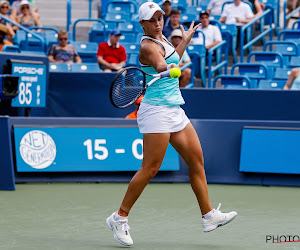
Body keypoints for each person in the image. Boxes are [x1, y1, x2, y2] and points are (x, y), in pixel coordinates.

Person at [106, 2, 237, 247]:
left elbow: (172, 57)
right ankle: (119, 218)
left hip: (174, 108)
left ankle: (208, 216)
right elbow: (160, 64)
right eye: (152, 20)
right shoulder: (147, 45)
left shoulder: (163, 38)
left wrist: (184, 40)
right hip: (155, 111)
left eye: (160, 18)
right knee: (150, 168)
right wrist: (169, 69)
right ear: (142, 23)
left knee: (196, 160)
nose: (158, 23)